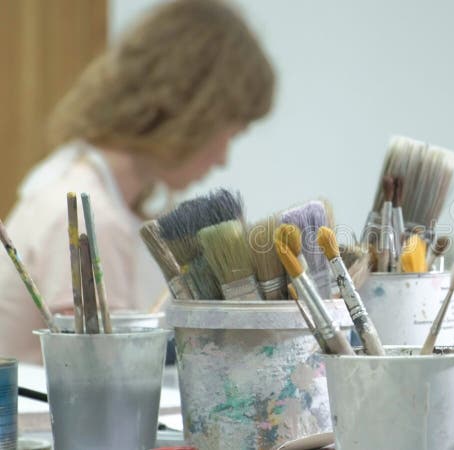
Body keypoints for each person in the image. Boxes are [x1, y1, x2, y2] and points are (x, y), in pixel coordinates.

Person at [0, 0, 275, 364]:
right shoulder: (89, 216)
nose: (223, 159)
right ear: (193, 112)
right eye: (230, 133)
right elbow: (104, 377)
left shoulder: (68, 176)